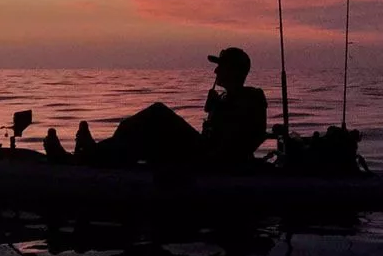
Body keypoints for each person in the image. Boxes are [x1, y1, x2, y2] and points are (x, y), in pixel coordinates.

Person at [45, 47, 268, 170]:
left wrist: (221, 109)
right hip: (205, 154)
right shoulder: (228, 98)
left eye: (221, 67)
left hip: (212, 161)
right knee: (137, 131)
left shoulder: (249, 99)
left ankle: (89, 156)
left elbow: (235, 142)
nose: (215, 72)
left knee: (158, 113)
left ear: (234, 71)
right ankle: (91, 155)